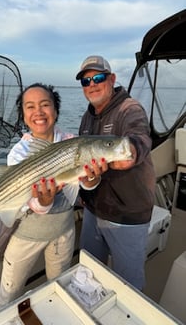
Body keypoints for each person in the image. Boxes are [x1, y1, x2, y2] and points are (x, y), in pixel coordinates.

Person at [0, 82, 102, 311]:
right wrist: (44, 201)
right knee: (9, 291)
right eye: (30, 106)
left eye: (45, 104)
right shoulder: (18, 153)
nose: (39, 112)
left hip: (63, 232)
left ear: (56, 109)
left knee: (59, 287)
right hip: (27, 235)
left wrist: (92, 179)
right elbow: (27, 203)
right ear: (23, 115)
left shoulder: (72, 141)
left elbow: (83, 184)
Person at [76, 55, 156, 291]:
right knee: (88, 277)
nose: (92, 85)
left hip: (126, 216)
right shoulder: (87, 116)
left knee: (129, 287)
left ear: (111, 79)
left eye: (98, 78)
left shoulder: (129, 108)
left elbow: (139, 137)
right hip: (94, 211)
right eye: (85, 81)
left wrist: (129, 150)